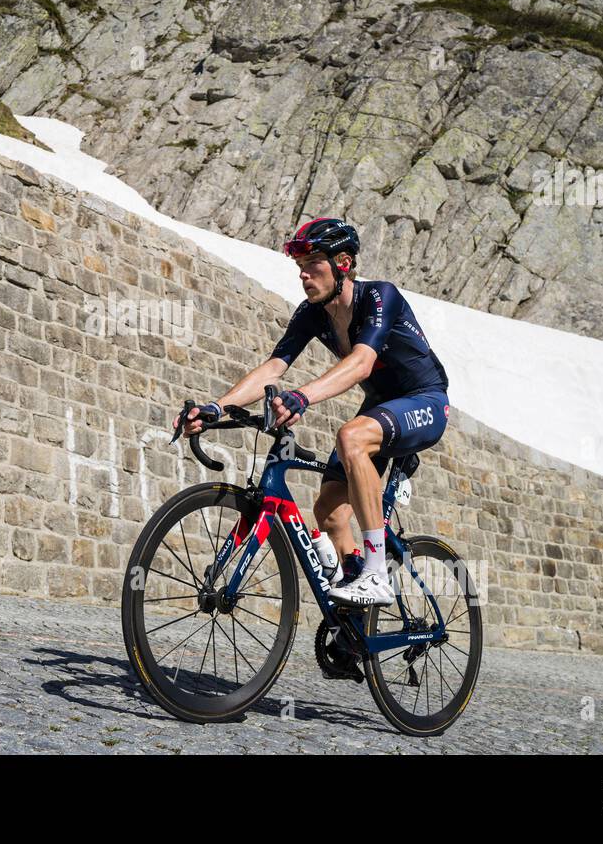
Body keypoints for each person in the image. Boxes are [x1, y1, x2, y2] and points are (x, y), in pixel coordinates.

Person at [174, 218, 450, 606]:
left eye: (313, 263)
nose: (304, 275)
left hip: (426, 400)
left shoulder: (379, 297)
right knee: (330, 512)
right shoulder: (312, 313)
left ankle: (376, 576)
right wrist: (217, 406)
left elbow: (361, 364)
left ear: (343, 263)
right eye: (300, 266)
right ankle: (353, 624)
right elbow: (273, 367)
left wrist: (302, 397)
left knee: (351, 435)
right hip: (380, 407)